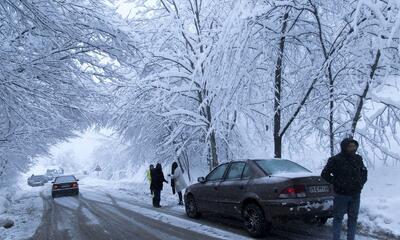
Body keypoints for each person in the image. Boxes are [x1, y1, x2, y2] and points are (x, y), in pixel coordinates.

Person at [321, 138, 368, 240]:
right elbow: (324, 174)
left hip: (355, 194)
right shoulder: (335, 159)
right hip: (341, 194)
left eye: (354, 146)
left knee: (353, 218)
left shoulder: (358, 159)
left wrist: (361, 183)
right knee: (338, 218)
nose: (353, 148)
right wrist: (338, 183)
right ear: (344, 147)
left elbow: (364, 172)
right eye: (350, 146)